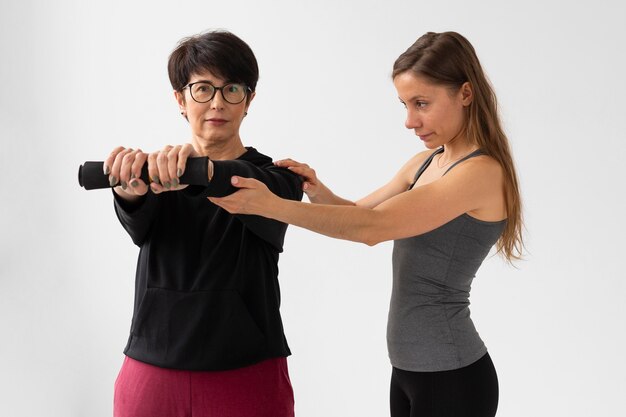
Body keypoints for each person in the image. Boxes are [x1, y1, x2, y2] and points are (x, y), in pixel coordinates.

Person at [210, 31, 523, 417]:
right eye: (405, 105)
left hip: (453, 374)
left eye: (421, 103)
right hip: (410, 371)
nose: (410, 121)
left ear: (465, 93)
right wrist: (316, 188)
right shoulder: (425, 163)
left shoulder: (480, 173)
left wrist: (270, 206)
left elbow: (372, 228)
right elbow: (357, 210)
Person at [104, 30, 302, 417]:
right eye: (202, 89)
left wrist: (202, 172)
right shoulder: (158, 172)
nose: (217, 102)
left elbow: (251, 186)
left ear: (249, 100)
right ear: (180, 99)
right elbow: (138, 224)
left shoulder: (277, 178)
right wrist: (129, 189)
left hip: (246, 372)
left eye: (231, 89)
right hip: (150, 369)